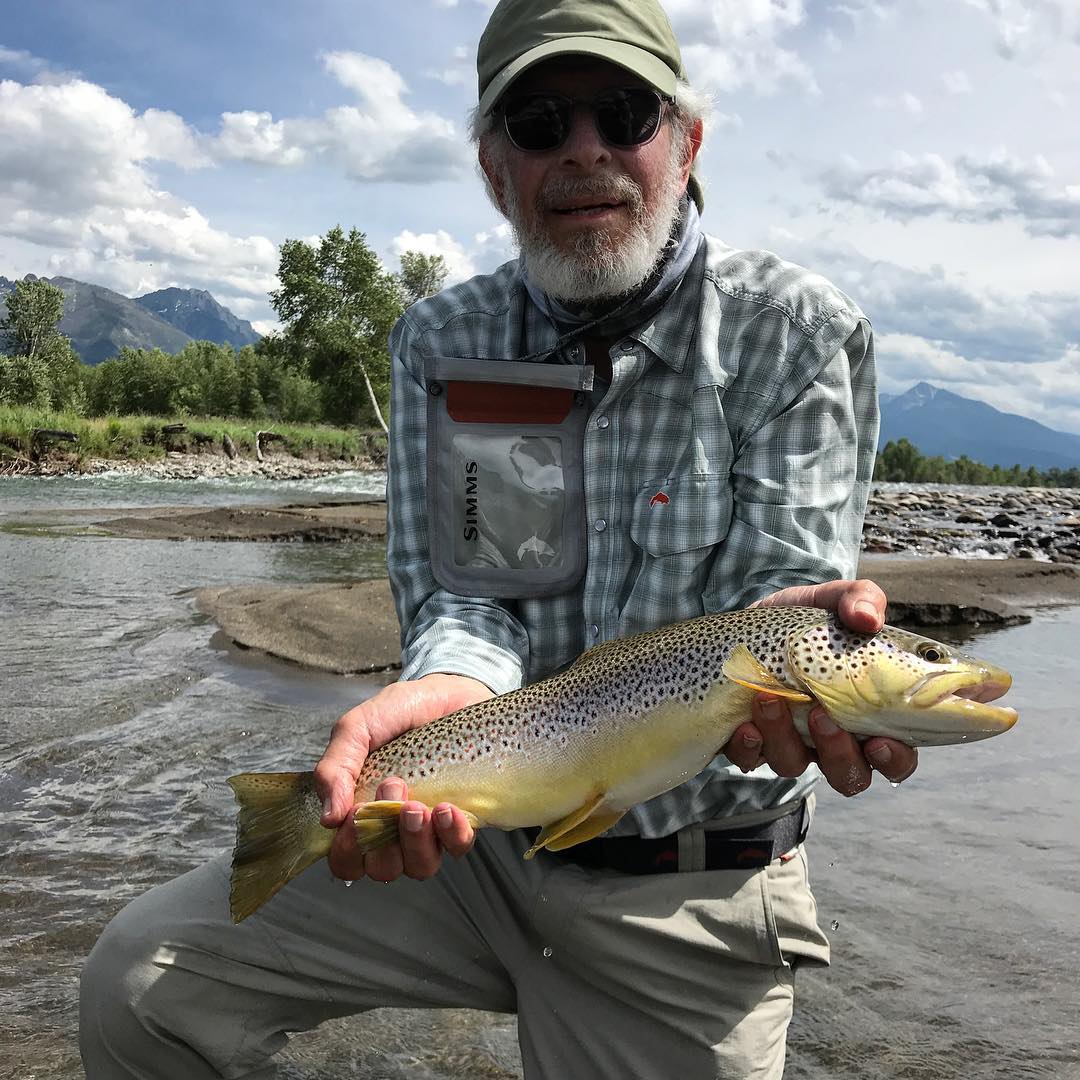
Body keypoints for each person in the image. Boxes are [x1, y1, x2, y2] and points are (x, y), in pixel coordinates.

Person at [80, 0, 917, 1076]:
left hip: (691, 885)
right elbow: (468, 595)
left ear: (687, 141)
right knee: (140, 984)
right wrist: (455, 694)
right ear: (492, 167)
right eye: (538, 125)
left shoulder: (794, 335)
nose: (585, 153)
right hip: (475, 848)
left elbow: (784, 614)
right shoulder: (448, 339)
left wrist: (811, 687)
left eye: (623, 114)